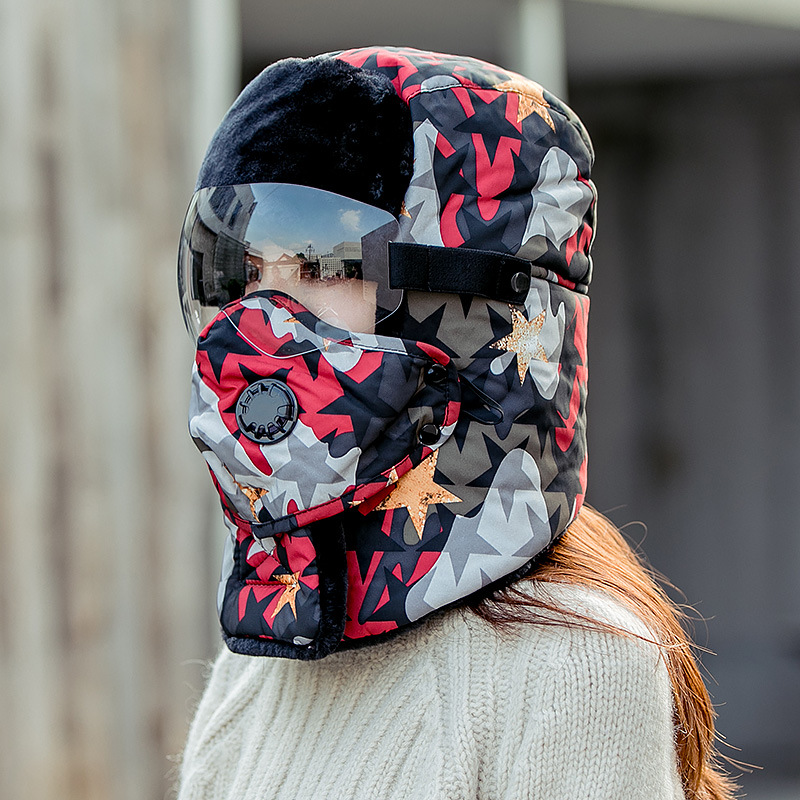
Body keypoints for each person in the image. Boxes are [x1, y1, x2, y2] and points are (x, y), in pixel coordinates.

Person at [176, 46, 737, 799]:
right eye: (246, 272)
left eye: (320, 266)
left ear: (466, 307)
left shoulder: (578, 665)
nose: (257, 322)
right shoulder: (270, 643)